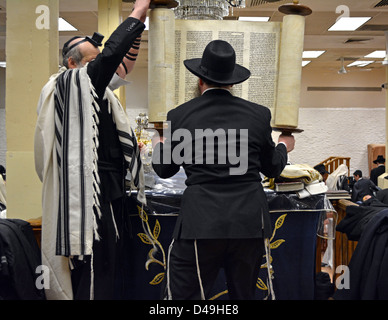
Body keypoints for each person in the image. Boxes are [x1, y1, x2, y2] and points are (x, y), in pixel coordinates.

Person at [152, 40, 294, 300]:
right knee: (244, 295)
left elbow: (164, 169)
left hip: (200, 221)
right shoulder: (258, 114)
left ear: (200, 81)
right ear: (233, 82)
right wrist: (284, 146)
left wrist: (159, 142)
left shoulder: (180, 115)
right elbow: (272, 168)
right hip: (249, 222)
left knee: (185, 297)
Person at [34, 0, 150, 300]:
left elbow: (122, 62)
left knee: (112, 264)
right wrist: (137, 11)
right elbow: (113, 56)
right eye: (92, 60)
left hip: (108, 191)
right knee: (98, 267)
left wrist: (141, 23)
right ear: (73, 63)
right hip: (91, 197)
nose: (100, 65)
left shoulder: (91, 89)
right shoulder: (70, 85)